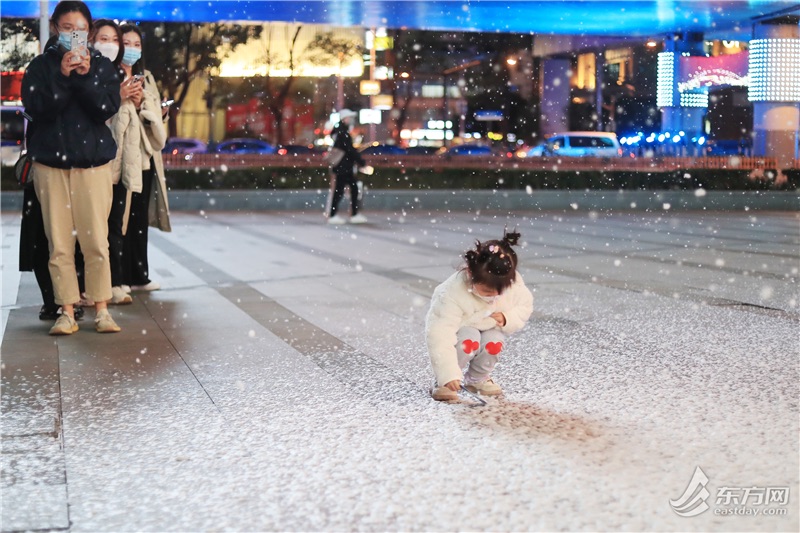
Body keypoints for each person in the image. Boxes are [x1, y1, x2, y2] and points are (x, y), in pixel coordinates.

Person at [22, 0, 122, 335]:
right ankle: (66, 310)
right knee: (59, 243)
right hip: (50, 167)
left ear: (89, 32)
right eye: (67, 28)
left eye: (80, 29)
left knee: (96, 240)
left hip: (92, 167)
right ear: (55, 29)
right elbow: (38, 109)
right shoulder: (39, 67)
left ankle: (102, 309)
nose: (74, 35)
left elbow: (105, 108)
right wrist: (63, 75)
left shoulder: (102, 68)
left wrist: (83, 76)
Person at [426, 230, 533, 401]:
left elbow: (525, 305)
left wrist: (508, 317)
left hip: (490, 325)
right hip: (463, 328)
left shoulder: (512, 283)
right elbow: (440, 334)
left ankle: (477, 378)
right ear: (470, 274)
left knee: (494, 343)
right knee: (469, 341)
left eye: (501, 291)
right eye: (487, 291)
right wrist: (447, 373)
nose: (494, 296)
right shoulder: (451, 293)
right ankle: (446, 382)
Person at [118, 23, 171, 293]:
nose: (132, 49)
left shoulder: (146, 76)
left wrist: (155, 111)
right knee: (121, 221)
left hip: (145, 157)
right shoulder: (109, 74)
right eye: (127, 43)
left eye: (137, 44)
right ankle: (120, 278)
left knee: (138, 220)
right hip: (120, 160)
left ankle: (139, 275)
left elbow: (150, 111)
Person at [91, 19, 133, 305]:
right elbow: (97, 115)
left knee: (115, 226)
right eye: (103, 38)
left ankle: (114, 282)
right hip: (95, 161)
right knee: (93, 228)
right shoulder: (89, 73)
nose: (110, 44)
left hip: (120, 163)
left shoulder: (124, 74)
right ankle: (90, 288)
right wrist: (117, 97)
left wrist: (137, 103)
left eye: (114, 39)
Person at [328, 109, 368, 225]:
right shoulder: (343, 133)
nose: (351, 120)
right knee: (346, 190)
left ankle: (339, 214)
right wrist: (361, 161)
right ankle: (345, 214)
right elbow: (349, 149)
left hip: (342, 166)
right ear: (344, 119)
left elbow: (347, 149)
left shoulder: (339, 131)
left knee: (344, 190)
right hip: (344, 167)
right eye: (349, 117)